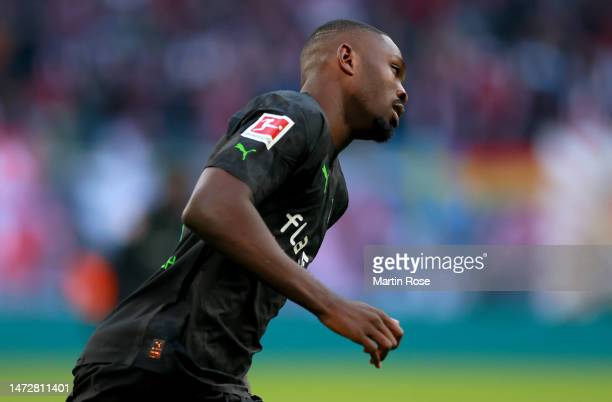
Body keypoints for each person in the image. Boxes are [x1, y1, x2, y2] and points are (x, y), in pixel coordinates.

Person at [68, 19, 408, 402]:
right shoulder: (296, 114)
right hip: (153, 363)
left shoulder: (334, 191)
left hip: (207, 375)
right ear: (347, 58)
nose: (402, 90)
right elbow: (210, 206)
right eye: (394, 69)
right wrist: (331, 305)